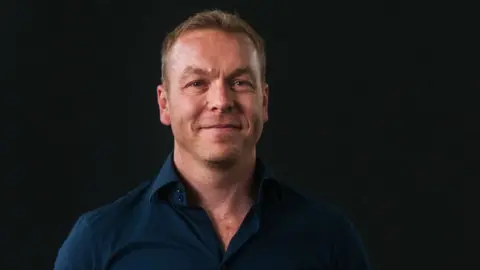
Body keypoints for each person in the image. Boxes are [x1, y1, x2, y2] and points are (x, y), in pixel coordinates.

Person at [54, 9, 371, 270]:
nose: (221, 100)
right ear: (164, 104)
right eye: (197, 83)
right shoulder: (98, 241)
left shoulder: (329, 238)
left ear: (264, 101)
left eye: (240, 82)